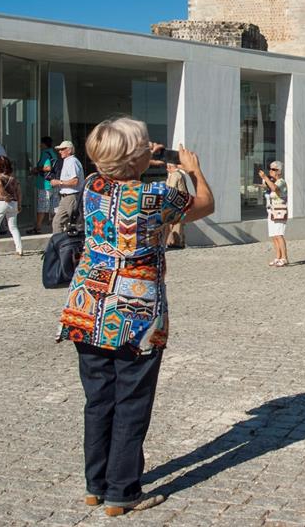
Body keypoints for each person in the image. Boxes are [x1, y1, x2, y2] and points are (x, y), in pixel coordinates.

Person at [57, 117, 213, 517]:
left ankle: (96, 485)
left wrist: (145, 156)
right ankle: (122, 491)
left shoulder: (92, 185)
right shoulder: (156, 197)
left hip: (87, 305)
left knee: (98, 399)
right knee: (131, 401)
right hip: (135, 314)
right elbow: (206, 205)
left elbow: (118, 173)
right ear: (135, 157)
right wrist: (192, 170)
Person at [0, 155, 23, 256]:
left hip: (1, 202)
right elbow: (19, 192)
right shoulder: (13, 177)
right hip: (13, 202)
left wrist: (5, 195)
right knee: (13, 227)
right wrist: (19, 204)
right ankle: (19, 248)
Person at [259, 161, 289, 266]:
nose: (270, 171)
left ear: (279, 171)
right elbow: (270, 188)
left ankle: (284, 258)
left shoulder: (281, 182)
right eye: (270, 169)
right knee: (273, 236)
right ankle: (278, 257)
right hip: (272, 211)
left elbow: (275, 189)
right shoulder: (273, 182)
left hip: (280, 210)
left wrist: (266, 178)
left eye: (273, 169)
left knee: (279, 234)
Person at [51, 140, 85, 233]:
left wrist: (59, 182)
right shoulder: (67, 161)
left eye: (62, 149)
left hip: (71, 196)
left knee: (76, 223)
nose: (60, 151)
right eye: (59, 150)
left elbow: (75, 181)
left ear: (69, 150)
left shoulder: (72, 162)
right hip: (65, 197)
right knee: (58, 222)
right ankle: (60, 244)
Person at [28, 136, 60, 234]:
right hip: (53, 183)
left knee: (42, 206)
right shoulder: (53, 153)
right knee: (54, 207)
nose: (39, 145)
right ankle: (56, 228)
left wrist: (36, 169)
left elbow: (47, 167)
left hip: (45, 184)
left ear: (44, 144)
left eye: (41, 143)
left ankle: (37, 227)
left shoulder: (45, 153)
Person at [163, 163, 189, 249]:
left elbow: (170, 188)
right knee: (179, 222)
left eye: (167, 168)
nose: (167, 170)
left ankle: (176, 242)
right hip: (181, 201)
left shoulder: (174, 175)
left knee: (175, 223)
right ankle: (180, 242)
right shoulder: (180, 174)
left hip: (176, 202)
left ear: (170, 167)